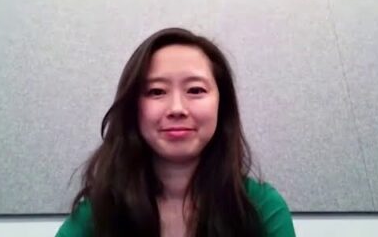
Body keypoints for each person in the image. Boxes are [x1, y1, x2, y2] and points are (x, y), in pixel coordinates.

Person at [56, 28, 296, 237]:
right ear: (132, 107)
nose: (177, 109)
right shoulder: (98, 212)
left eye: (195, 90)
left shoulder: (262, 208)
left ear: (221, 105)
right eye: (156, 91)